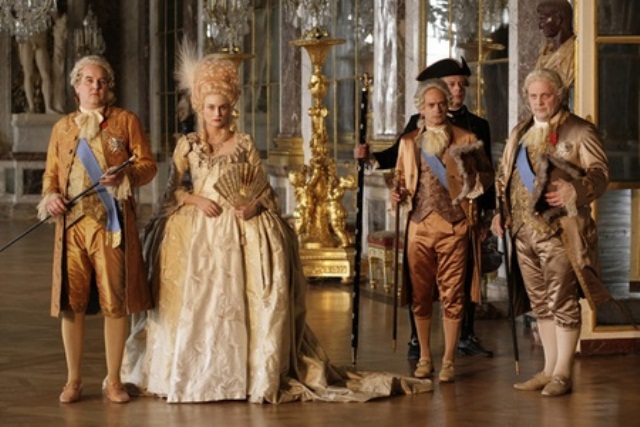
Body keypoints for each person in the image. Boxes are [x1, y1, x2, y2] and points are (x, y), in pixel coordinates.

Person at [121, 55, 429, 403]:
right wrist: (196, 200)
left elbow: (263, 190)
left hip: (239, 227)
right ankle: (190, 372)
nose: (217, 114)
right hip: (197, 229)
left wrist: (253, 206)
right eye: (211, 108)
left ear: (231, 107)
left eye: (223, 107)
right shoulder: (188, 144)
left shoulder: (244, 143)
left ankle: (242, 373)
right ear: (200, 108)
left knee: (239, 299)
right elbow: (171, 191)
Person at [355, 57, 496, 359]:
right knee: (419, 280)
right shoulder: (415, 127)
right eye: (452, 84)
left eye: (461, 85)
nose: (458, 90)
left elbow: (487, 174)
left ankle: (465, 335)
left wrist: (486, 217)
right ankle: (417, 341)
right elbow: (398, 156)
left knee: (463, 277)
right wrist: (370, 157)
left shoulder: (477, 126)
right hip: (422, 217)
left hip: (461, 217)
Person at [38, 55, 158, 404]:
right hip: (71, 228)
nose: (96, 86)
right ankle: (73, 381)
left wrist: (125, 175)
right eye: (89, 81)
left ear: (109, 87)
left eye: (102, 81)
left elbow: (148, 166)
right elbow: (50, 175)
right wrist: (51, 198)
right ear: (76, 86)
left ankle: (115, 381)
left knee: (114, 302)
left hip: (111, 226)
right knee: (71, 304)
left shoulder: (126, 121)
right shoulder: (62, 128)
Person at [491, 68, 610, 397]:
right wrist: (500, 213)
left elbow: (601, 175)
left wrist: (576, 189)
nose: (539, 102)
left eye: (545, 95)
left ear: (558, 95)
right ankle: (547, 369)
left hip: (560, 232)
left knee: (562, 301)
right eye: (533, 96)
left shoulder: (580, 130)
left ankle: (563, 373)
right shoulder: (520, 131)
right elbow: (504, 177)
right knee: (540, 303)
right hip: (523, 233)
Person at [393, 79, 494, 382]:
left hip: (455, 226)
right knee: (421, 294)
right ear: (421, 109)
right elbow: (400, 179)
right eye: (431, 105)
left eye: (442, 104)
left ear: (448, 105)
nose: (437, 109)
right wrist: (397, 193)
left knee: (453, 294)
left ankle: (449, 359)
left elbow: (487, 176)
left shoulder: (466, 139)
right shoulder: (409, 142)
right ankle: (425, 356)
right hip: (419, 226)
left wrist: (472, 186)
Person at [536, 0, 575, 89]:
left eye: (543, 19)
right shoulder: (545, 52)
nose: (540, 26)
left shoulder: (573, 53)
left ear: (557, 20)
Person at [17, 31, 58, 114]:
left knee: (45, 74)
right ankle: (31, 106)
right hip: (26, 38)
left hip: (39, 38)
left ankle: (48, 106)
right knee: (28, 74)